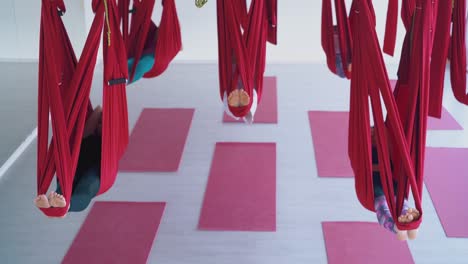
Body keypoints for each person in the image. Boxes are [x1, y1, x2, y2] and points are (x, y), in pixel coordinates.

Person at [34, 106, 103, 216]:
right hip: (76, 166)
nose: (99, 124)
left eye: (102, 122)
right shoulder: (87, 134)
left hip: (95, 171)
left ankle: (66, 206)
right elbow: (98, 109)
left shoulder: (108, 143)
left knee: (87, 187)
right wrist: (99, 112)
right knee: (64, 185)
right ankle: (53, 207)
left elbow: (108, 124)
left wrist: (103, 115)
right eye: (99, 121)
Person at [370, 128, 420, 240]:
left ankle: (408, 218)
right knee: (382, 206)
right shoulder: (365, 146)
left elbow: (396, 159)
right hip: (376, 185)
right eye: (371, 130)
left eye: (373, 130)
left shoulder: (387, 140)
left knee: (400, 201)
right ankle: (396, 227)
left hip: (392, 182)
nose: (372, 132)